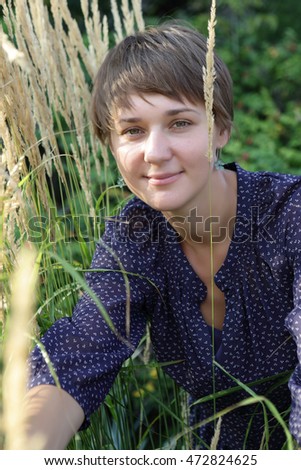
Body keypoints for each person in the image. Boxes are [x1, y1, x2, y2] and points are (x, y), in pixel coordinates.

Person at [25, 22, 301, 450]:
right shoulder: (137, 234)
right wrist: (25, 449)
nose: (154, 152)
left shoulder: (290, 214)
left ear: (221, 129)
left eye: (179, 123)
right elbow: (78, 355)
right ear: (111, 146)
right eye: (132, 131)